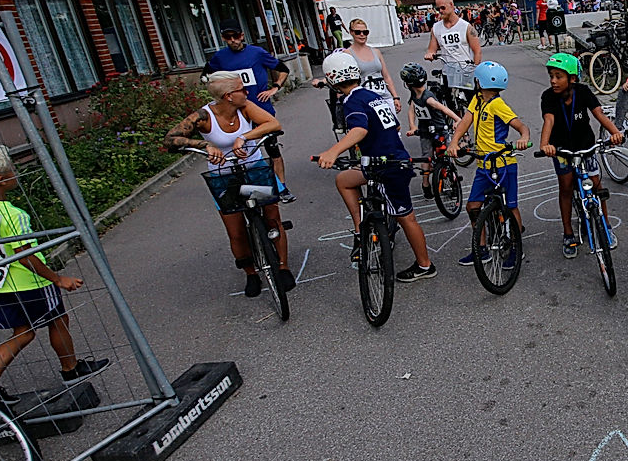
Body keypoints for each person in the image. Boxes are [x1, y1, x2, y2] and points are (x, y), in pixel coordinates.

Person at [0, 146, 111, 405]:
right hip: (30, 282)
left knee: (24, 331)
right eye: (12, 170)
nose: (16, 174)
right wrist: (56, 278)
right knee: (57, 320)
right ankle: (68, 369)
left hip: (2, 283)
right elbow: (26, 256)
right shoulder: (14, 215)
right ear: (1, 180)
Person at [165, 70, 296, 296]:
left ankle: (283, 266)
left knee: (272, 217)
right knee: (235, 231)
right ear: (228, 96)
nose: (246, 92)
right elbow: (170, 139)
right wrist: (204, 145)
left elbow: (272, 123)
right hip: (224, 176)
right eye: (241, 89)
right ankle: (250, 273)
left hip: (253, 171)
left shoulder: (244, 107)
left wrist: (244, 137)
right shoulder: (204, 117)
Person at [314, 52, 436, 282]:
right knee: (344, 180)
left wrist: (333, 151)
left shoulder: (351, 101)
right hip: (385, 160)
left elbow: (359, 129)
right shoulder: (371, 95)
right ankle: (361, 228)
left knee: (406, 218)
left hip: (388, 165)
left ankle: (424, 265)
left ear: (332, 79)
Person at [538, 53, 624, 258]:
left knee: (596, 185)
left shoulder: (583, 92)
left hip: (585, 146)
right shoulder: (548, 97)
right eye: (551, 76)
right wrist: (545, 144)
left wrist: (615, 133)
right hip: (561, 150)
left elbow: (599, 114)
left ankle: (605, 225)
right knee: (566, 188)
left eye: (559, 76)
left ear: (572, 79)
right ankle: (568, 233)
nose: (553, 81)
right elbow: (548, 121)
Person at [447, 61, 531, 267]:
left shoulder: (497, 104)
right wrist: (455, 141)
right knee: (473, 206)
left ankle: (515, 245)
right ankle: (481, 248)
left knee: (510, 207)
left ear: (479, 82)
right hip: (484, 164)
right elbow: (466, 121)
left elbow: (521, 126)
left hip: (503, 163)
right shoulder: (477, 100)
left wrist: (524, 137)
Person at [201, 18, 295, 202]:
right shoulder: (220, 57)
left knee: (272, 149)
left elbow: (282, 69)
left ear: (242, 35)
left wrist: (274, 87)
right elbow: (206, 76)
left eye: (235, 36)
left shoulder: (257, 53)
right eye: (228, 38)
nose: (233, 40)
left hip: (260, 109)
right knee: (243, 153)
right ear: (223, 39)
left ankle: (281, 188)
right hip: (235, 112)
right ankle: (248, 189)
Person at [402, 61, 462, 199]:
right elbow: (412, 109)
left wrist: (457, 120)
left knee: (446, 155)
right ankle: (426, 184)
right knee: (427, 156)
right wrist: (413, 126)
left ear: (408, 83)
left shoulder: (428, 98)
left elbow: (443, 108)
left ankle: (452, 179)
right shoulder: (414, 95)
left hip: (439, 129)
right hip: (425, 131)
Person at [424, 0, 482, 94]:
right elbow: (432, 49)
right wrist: (430, 54)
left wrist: (475, 71)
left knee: (472, 103)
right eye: (438, 9)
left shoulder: (466, 27)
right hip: (448, 72)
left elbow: (477, 51)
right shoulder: (436, 28)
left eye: (443, 7)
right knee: (450, 105)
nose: (440, 11)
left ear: (451, 5)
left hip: (465, 71)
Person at [344, 18, 402, 110]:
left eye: (365, 32)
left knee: (394, 124)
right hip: (366, 100)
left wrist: (395, 97)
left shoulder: (376, 52)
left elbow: (386, 76)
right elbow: (343, 78)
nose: (362, 35)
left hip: (384, 96)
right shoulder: (347, 54)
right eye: (358, 32)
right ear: (351, 32)